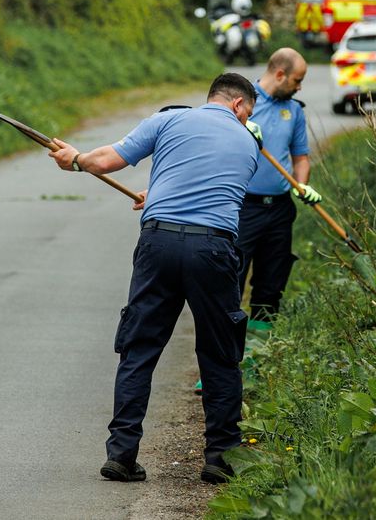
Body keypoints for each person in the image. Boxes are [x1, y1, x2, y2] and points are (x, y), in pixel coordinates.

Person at [48, 72, 261, 485]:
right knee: (220, 355)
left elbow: (106, 160)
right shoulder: (249, 143)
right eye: (247, 113)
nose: (246, 121)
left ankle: (122, 454)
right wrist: (162, 194)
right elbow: (211, 185)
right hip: (214, 251)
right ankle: (220, 457)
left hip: (158, 242)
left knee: (139, 349)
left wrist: (75, 159)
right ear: (237, 105)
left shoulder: (169, 121)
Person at [236, 47, 322, 329]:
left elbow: (301, 157)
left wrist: (302, 185)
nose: (299, 87)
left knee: (271, 283)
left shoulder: (294, 110)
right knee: (231, 279)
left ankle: (257, 351)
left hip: (279, 209)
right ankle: (221, 362)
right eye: (297, 80)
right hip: (242, 208)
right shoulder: (240, 103)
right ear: (280, 74)